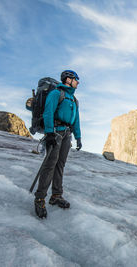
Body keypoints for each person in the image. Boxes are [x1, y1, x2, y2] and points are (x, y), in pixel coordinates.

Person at [34, 70, 82, 219]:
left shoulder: (74, 99)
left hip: (67, 134)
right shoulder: (56, 93)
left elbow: (76, 120)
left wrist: (78, 137)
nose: (78, 82)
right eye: (76, 79)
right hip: (55, 132)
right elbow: (48, 112)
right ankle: (40, 199)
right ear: (68, 79)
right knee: (50, 164)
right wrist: (49, 133)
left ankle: (56, 195)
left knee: (60, 164)